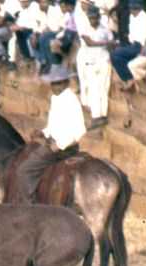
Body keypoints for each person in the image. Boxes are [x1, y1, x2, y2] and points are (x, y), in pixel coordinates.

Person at [14, 64, 85, 203]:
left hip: (63, 148)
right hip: (53, 142)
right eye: (53, 83)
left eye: (58, 83)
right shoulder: (56, 98)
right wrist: (43, 132)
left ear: (66, 83)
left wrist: (59, 145)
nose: (54, 87)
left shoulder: (71, 100)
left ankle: (30, 207)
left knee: (24, 170)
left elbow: (80, 129)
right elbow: (55, 125)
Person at [77, 5, 112, 128]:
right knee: (93, 89)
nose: (93, 20)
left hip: (103, 61)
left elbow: (112, 44)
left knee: (103, 89)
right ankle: (96, 116)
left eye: (95, 18)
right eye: (91, 18)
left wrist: (108, 44)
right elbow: (89, 43)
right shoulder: (85, 28)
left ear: (98, 17)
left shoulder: (105, 29)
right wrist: (106, 43)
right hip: (90, 62)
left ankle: (102, 116)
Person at [110, 0, 146, 88]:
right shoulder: (132, 16)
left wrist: (142, 51)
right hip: (132, 44)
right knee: (115, 56)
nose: (131, 10)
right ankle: (128, 78)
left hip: (139, 46)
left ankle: (129, 78)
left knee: (115, 54)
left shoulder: (144, 18)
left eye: (132, 8)